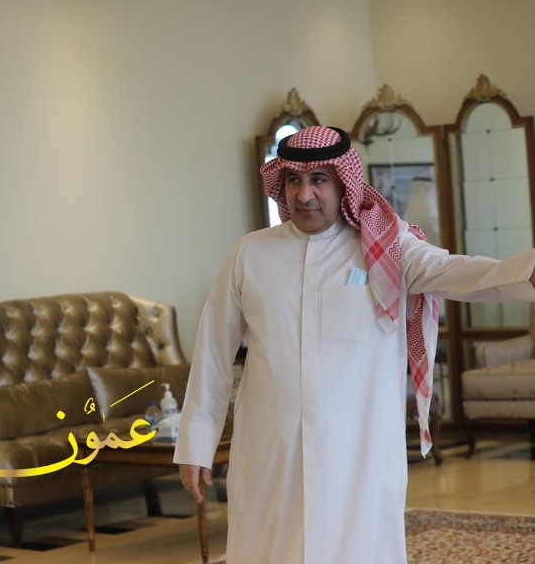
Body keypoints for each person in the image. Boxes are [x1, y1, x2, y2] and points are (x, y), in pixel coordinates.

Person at [173, 126, 535, 564]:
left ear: (344, 183)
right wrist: (196, 444)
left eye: (319, 180)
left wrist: (525, 272)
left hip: (358, 451)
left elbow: (458, 273)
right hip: (270, 447)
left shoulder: (386, 247)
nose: (304, 194)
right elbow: (213, 351)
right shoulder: (250, 254)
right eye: (294, 180)